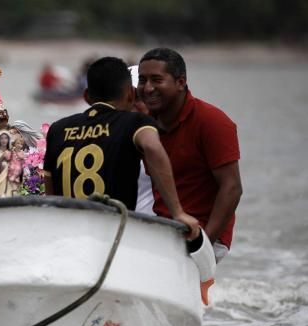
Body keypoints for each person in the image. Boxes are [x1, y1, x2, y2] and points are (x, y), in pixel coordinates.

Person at [44, 57, 200, 239]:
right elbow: (151, 147)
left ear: (86, 97)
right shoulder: (135, 122)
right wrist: (178, 212)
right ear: (131, 94)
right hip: (115, 234)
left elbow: (50, 190)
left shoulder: (58, 129)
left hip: (69, 234)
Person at [138, 48, 242, 261]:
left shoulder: (212, 121)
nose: (147, 88)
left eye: (157, 80)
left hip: (205, 233)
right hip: (162, 227)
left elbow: (232, 188)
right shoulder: (144, 124)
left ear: (181, 82)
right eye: (142, 80)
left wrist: (203, 245)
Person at [128, 65, 155, 216]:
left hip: (153, 225)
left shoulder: (168, 141)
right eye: (126, 98)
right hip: (114, 224)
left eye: (138, 98)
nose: (130, 104)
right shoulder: (104, 137)